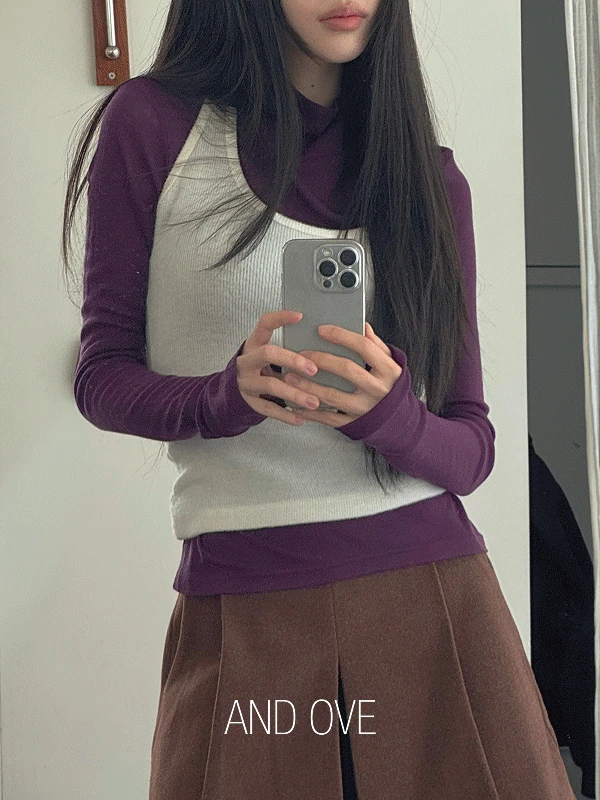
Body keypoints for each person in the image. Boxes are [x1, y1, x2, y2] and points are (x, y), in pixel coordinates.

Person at [62, 1, 577, 798]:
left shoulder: (430, 178)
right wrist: (224, 397)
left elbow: (471, 449)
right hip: (247, 612)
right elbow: (102, 377)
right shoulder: (155, 125)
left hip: (435, 605)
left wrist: (391, 415)